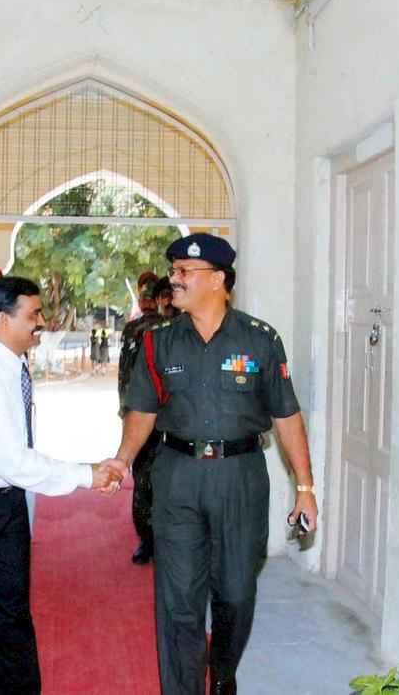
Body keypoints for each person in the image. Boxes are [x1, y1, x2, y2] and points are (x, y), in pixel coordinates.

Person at [112, 234, 319, 695]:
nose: (174, 279)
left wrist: (305, 487)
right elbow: (142, 410)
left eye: (185, 272)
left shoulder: (260, 339)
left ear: (218, 279)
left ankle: (223, 673)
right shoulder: (159, 342)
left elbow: (286, 414)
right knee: (178, 601)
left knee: (237, 592)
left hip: (239, 477)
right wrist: (122, 459)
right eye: (174, 271)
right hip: (177, 476)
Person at [0, 276, 125, 695]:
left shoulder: (11, 364)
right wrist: (87, 474)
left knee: (10, 615)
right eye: (33, 315)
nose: (41, 322)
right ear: (3, 319)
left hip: (3, 504)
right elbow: (12, 461)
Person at [117, 277, 167, 564]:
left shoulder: (178, 327)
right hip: (144, 414)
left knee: (158, 480)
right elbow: (126, 373)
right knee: (144, 478)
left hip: (169, 418)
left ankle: (156, 540)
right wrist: (127, 411)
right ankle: (147, 540)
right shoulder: (135, 329)